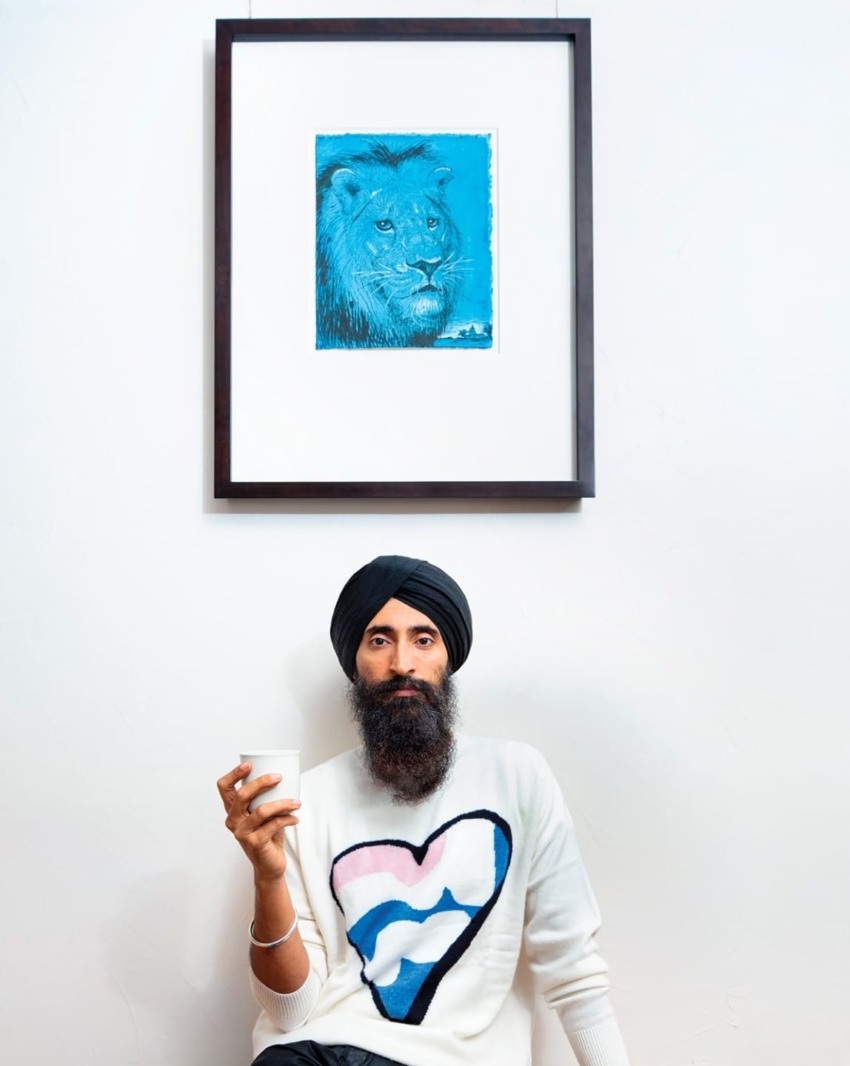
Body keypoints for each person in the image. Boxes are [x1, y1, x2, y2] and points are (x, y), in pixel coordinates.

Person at [218, 555, 631, 1066]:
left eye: (423, 638)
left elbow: (574, 969)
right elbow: (290, 1010)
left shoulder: (516, 775)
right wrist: (267, 875)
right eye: (379, 639)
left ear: (447, 658)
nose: (402, 664)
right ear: (356, 665)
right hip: (314, 1053)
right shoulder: (310, 797)